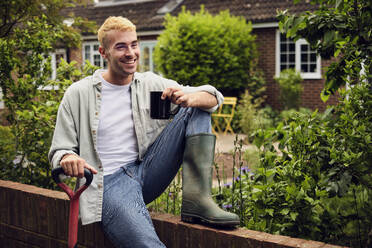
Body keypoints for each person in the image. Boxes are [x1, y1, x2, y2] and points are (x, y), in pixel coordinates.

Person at [49, 16, 239, 248]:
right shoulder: (79, 93)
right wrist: (68, 157)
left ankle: (197, 200)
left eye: (134, 44)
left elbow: (213, 97)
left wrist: (190, 97)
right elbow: (60, 149)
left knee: (197, 109)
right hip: (109, 182)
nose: (131, 53)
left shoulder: (150, 84)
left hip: (147, 170)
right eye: (121, 47)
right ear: (103, 52)